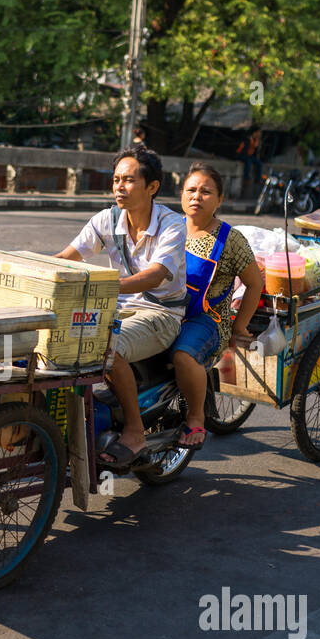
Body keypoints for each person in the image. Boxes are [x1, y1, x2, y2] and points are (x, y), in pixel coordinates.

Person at [53, 148, 187, 469]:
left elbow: (155, 275)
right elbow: (67, 257)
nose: (119, 187)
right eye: (116, 180)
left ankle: (135, 431)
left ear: (152, 187)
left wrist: (105, 286)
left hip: (161, 314)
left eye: (129, 180)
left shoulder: (172, 225)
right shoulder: (107, 219)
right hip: (118, 307)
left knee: (105, 348)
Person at [171, 163, 264, 449]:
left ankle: (196, 417)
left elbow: (255, 283)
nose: (197, 196)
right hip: (167, 312)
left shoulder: (229, 239)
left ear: (220, 200)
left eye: (206, 192)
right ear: (182, 195)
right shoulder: (170, 228)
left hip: (208, 321)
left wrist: (239, 326)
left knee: (183, 356)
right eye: (191, 190)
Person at [235, 124, 262, 196]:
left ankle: (258, 179)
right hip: (242, 155)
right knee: (248, 163)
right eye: (258, 132)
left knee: (259, 163)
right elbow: (243, 151)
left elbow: (254, 153)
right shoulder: (247, 139)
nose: (259, 134)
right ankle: (246, 178)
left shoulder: (256, 141)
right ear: (255, 132)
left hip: (249, 156)